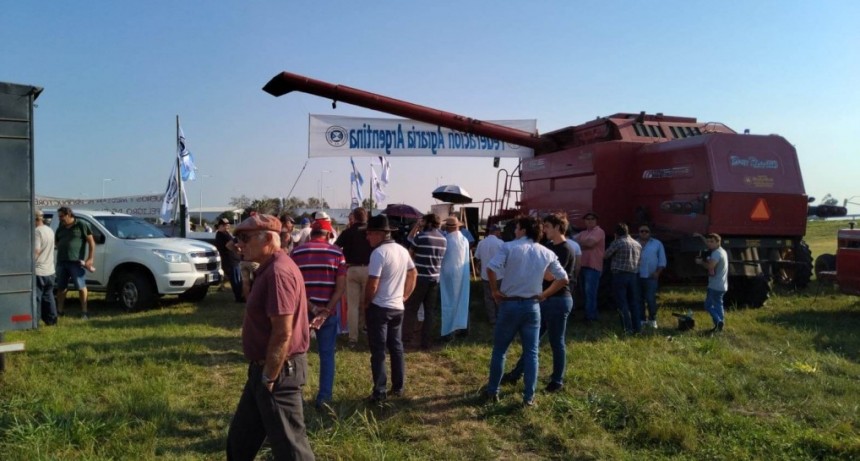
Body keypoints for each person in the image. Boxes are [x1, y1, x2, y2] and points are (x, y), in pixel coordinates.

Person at [226, 214, 315, 460]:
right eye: (237, 238)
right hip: (263, 370)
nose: (238, 244)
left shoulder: (278, 272)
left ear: (268, 239)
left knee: (291, 449)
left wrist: (268, 377)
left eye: (244, 238)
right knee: (240, 443)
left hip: (277, 372)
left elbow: (282, 331)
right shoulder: (267, 268)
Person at [484, 216, 568, 407]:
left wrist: (495, 291)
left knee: (500, 351)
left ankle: (492, 391)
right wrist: (544, 294)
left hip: (510, 304)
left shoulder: (509, 247)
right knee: (532, 352)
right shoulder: (546, 252)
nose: (515, 231)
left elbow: (490, 268)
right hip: (532, 306)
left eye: (517, 228)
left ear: (522, 230)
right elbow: (563, 279)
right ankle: (529, 398)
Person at [502, 213, 576, 392]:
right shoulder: (550, 246)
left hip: (558, 300)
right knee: (532, 341)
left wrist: (535, 268)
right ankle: (517, 373)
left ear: (558, 227)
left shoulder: (565, 249)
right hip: (546, 299)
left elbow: (552, 277)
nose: (544, 230)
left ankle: (557, 381)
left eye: (548, 227)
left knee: (556, 342)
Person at [290, 219, 346, 409]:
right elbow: (340, 288)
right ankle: (324, 398)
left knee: (296, 353)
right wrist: (326, 311)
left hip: (300, 311)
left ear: (311, 233)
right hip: (327, 312)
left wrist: (311, 307)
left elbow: (293, 287)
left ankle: (293, 395)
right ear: (329, 234)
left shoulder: (296, 252)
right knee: (327, 355)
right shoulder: (337, 253)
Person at [362, 215, 417, 402]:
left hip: (380, 307)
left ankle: (379, 391)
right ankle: (398, 386)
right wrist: (405, 295)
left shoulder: (378, 253)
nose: (367, 237)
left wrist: (366, 302)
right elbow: (413, 272)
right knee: (396, 347)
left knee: (378, 350)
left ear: (379, 234)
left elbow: (373, 283)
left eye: (369, 234)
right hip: (397, 307)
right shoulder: (401, 250)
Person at [402, 213, 447, 349]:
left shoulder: (420, 237)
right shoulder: (443, 239)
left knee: (411, 309)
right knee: (429, 312)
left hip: (419, 278)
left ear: (428, 222)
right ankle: (426, 342)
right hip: (434, 279)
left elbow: (409, 256)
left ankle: (406, 339)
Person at [334, 207, 374, 347]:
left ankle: (353, 337)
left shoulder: (347, 232)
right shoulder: (371, 232)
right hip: (369, 269)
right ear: (366, 217)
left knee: (352, 305)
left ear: (354, 218)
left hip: (351, 269)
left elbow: (335, 248)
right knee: (366, 303)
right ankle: (363, 328)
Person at [54, 206, 95, 319]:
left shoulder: (81, 224)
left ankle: (84, 312)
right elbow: (56, 241)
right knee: (61, 287)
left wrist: (90, 258)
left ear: (69, 214)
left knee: (81, 286)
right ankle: (60, 311)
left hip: (76, 262)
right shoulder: (60, 227)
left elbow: (91, 242)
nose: (60, 219)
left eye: (62, 216)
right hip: (61, 262)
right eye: (59, 217)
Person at [604, 223, 642, 334]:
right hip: (633, 275)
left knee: (622, 302)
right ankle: (637, 328)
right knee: (634, 303)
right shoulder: (637, 244)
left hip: (619, 275)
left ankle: (627, 328)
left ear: (616, 233)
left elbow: (606, 255)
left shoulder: (618, 242)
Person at [440, 216, 470, 338]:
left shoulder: (446, 240)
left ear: (447, 227)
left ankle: (449, 331)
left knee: (448, 302)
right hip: (462, 274)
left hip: (448, 275)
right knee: (462, 301)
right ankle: (462, 328)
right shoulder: (465, 240)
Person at [573, 211, 605, 322]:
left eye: (592, 219)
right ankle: (591, 314)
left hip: (593, 266)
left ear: (596, 221)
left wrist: (580, 244)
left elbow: (590, 244)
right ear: (585, 221)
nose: (590, 220)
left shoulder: (599, 231)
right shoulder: (583, 233)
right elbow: (572, 241)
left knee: (590, 292)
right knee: (585, 293)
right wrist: (584, 244)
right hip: (583, 265)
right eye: (587, 219)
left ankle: (590, 317)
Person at [636, 224, 666, 329]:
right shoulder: (634, 243)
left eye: (646, 231)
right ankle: (642, 319)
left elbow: (662, 260)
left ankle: (653, 319)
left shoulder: (657, 244)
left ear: (650, 233)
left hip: (651, 276)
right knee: (639, 299)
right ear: (638, 232)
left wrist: (658, 272)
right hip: (637, 275)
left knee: (650, 299)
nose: (644, 233)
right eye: (641, 231)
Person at [696, 233, 728, 332]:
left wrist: (701, 262)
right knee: (718, 305)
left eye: (712, 242)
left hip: (715, 285)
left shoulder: (716, 253)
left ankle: (719, 321)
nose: (709, 244)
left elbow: (710, 266)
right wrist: (700, 236)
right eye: (708, 241)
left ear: (718, 242)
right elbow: (708, 242)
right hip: (721, 284)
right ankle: (719, 326)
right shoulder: (721, 251)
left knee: (708, 306)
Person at [475, 224, 504, 325]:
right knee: (500, 296)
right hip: (499, 275)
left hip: (485, 275)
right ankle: (501, 317)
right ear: (496, 232)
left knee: (488, 297)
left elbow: (477, 257)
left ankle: (492, 319)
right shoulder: (501, 243)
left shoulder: (481, 243)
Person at [34, 210, 57, 326]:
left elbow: (36, 250)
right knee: (49, 296)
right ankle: (52, 320)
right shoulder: (49, 230)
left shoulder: (37, 232)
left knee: (37, 297)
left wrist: (29, 263)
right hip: (50, 270)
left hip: (39, 270)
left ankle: (35, 322)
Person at [215, 218, 243, 302]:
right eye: (225, 225)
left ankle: (240, 295)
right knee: (235, 280)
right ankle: (238, 298)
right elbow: (229, 245)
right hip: (229, 261)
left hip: (234, 260)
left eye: (228, 225)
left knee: (238, 279)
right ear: (220, 226)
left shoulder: (226, 233)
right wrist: (237, 250)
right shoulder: (221, 235)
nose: (227, 226)